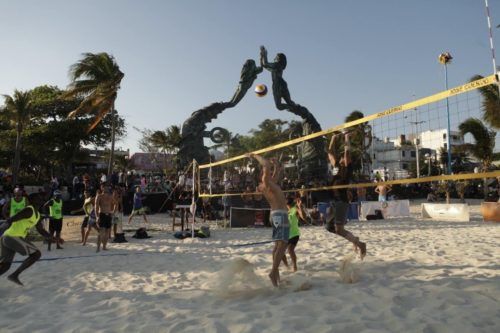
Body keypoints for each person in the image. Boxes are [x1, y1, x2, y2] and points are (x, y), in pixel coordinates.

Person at [245, 153, 289, 287]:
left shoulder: (269, 184)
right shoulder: (266, 182)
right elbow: (265, 164)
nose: (269, 172)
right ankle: (273, 272)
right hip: (279, 215)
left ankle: (276, 274)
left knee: (278, 245)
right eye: (267, 172)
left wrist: (277, 166)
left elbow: (276, 175)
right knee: (282, 244)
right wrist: (254, 155)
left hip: (276, 214)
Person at [0, 194, 55, 285]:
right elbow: (13, 218)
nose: (41, 198)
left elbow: (41, 230)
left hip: (8, 237)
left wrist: (53, 238)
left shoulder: (37, 215)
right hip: (12, 236)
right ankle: (14, 275)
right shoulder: (29, 210)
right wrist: (5, 224)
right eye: (38, 197)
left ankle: (14, 275)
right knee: (36, 254)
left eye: (41, 197)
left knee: (5, 266)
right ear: (32, 200)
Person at [327, 132, 366, 259]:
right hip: (334, 200)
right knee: (329, 227)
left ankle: (360, 244)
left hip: (341, 201)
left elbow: (347, 153)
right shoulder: (336, 166)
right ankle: (355, 240)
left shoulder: (348, 168)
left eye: (344, 157)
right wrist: (333, 138)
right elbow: (330, 152)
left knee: (339, 229)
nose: (342, 157)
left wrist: (346, 138)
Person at [281, 196, 307, 272]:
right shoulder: (285, 211)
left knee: (290, 250)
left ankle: (295, 266)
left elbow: (304, 217)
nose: (288, 205)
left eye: (289, 203)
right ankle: (287, 266)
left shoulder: (295, 209)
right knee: (281, 252)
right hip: (286, 235)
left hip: (294, 234)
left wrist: (300, 207)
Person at [95, 182, 114, 252]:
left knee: (107, 232)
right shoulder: (99, 196)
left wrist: (112, 212)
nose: (106, 188)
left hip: (108, 215)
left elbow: (114, 203)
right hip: (102, 214)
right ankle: (98, 248)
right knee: (101, 232)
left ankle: (104, 247)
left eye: (107, 187)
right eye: (104, 187)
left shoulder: (110, 196)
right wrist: (97, 216)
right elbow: (96, 207)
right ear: (101, 188)